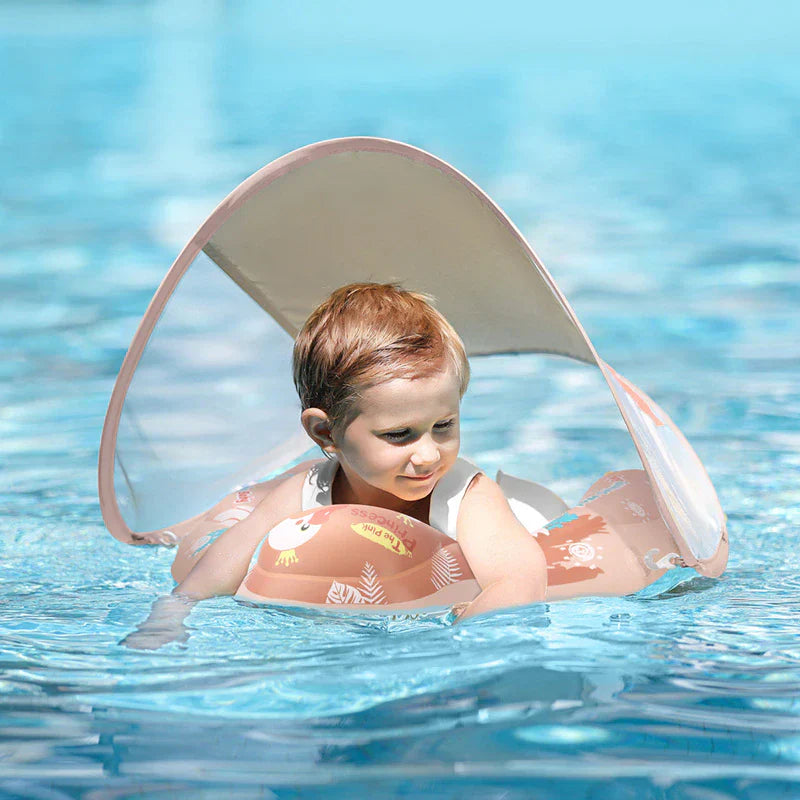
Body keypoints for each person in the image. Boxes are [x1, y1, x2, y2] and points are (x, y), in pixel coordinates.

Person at [122, 283, 547, 648]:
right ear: (326, 434)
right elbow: (216, 572)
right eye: (399, 434)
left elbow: (519, 579)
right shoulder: (304, 494)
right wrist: (169, 618)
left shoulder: (466, 495)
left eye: (443, 425)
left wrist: (460, 637)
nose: (429, 454)